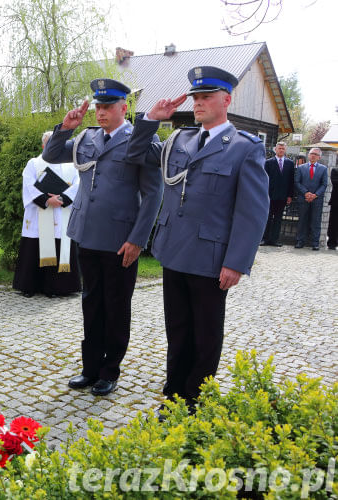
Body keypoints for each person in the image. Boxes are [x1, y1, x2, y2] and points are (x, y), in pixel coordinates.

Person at [125, 66, 269, 413]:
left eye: (206, 97)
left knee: (205, 333)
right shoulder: (180, 139)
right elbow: (135, 155)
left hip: (210, 256)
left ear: (226, 99)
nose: (199, 103)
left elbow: (253, 211)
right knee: (177, 328)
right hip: (174, 250)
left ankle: (195, 398)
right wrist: (150, 120)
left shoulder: (243, 148)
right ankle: (174, 393)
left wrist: (236, 262)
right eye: (196, 97)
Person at [43, 78, 163, 396]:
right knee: (91, 304)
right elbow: (52, 156)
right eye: (98, 106)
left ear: (124, 108)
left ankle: (110, 370)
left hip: (120, 239)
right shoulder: (86, 138)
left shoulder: (141, 140)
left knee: (116, 306)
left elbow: (153, 194)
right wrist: (66, 127)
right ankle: (90, 368)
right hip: (87, 233)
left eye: (107, 106)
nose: (100, 112)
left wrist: (138, 239)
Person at [12, 130, 81, 298]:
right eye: (50, 143)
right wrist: (45, 199)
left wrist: (63, 198)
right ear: (44, 145)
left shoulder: (71, 164)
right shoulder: (34, 163)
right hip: (39, 214)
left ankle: (59, 287)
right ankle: (30, 286)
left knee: (60, 245)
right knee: (33, 249)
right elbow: (28, 185)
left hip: (61, 213)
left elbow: (79, 184)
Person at [294, 147, 329, 250]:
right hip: (303, 198)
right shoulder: (301, 168)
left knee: (316, 221)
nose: (313, 155)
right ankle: (300, 241)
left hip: (317, 199)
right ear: (308, 155)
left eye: (315, 154)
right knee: (302, 220)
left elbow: (324, 184)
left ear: (319, 157)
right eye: (311, 153)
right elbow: (297, 182)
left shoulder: (323, 169)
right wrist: (306, 193)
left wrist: (315, 195)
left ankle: (315, 243)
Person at [261, 142, 294, 247]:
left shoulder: (290, 163)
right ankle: (265, 239)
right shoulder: (268, 162)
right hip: (269, 196)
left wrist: (290, 195)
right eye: (279, 148)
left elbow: (291, 180)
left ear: (285, 150)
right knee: (268, 217)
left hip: (283, 196)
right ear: (275, 149)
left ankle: (274, 240)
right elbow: (264, 180)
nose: (281, 150)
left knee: (278, 218)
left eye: (283, 149)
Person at [328, 165, 338, 250]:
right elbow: (335, 182)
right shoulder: (335, 170)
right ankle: (332, 243)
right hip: (336, 202)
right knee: (334, 223)